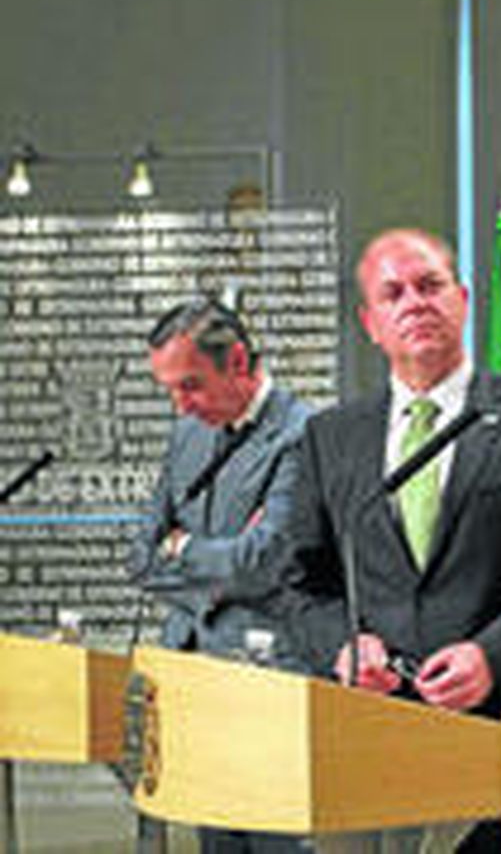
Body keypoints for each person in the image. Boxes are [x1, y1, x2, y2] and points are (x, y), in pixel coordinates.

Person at [273, 229, 501, 851]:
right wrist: (342, 646)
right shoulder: (332, 437)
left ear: (462, 298)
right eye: (393, 293)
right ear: (370, 322)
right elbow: (297, 584)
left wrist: (495, 656)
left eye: (430, 286)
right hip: (379, 740)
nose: (415, 303)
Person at [128, 296, 312, 852]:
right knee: (217, 841)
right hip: (193, 673)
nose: (180, 405)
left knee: (273, 838)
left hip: (270, 675)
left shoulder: (304, 434)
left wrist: (182, 547)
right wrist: (214, 557)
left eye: (190, 385)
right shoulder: (188, 435)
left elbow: (264, 561)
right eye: (170, 390)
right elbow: (141, 555)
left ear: (237, 361)